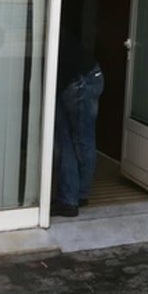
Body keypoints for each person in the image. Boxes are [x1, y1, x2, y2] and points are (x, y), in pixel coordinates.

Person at [52, 31, 103, 217]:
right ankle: (74, 196)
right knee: (67, 138)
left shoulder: (44, 29)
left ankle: (75, 196)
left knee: (78, 140)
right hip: (81, 78)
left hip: (81, 81)